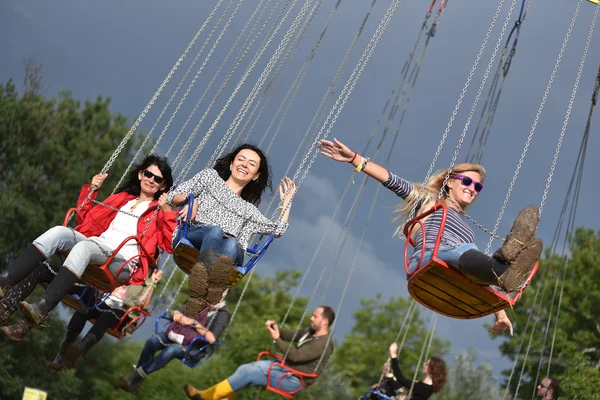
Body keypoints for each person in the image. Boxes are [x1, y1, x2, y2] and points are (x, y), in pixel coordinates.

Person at [319, 138, 544, 334]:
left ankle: (506, 264)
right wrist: (354, 158)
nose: (472, 188)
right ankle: (505, 259)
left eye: (478, 187)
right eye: (467, 181)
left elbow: (473, 267)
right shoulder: (429, 202)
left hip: (457, 262)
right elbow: (392, 180)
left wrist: (500, 314)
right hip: (432, 256)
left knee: (474, 255)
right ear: (449, 182)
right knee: (469, 252)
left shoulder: (467, 228)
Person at [0, 155, 177, 341]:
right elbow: (88, 220)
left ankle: (41, 307)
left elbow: (169, 244)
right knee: (59, 232)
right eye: (148, 174)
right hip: (96, 247)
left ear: (163, 186)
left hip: (121, 262)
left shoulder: (159, 211)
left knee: (84, 247)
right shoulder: (122, 199)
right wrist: (92, 191)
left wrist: (167, 213)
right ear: (141, 174)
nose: (151, 180)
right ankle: (5, 280)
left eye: (157, 179)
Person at [168, 143, 296, 305]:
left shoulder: (249, 211)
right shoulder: (210, 178)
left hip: (227, 253)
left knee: (233, 243)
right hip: (195, 236)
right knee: (215, 231)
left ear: (256, 175)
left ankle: (208, 288)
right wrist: (192, 202)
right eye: (241, 160)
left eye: (251, 164)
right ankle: (204, 280)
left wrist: (287, 204)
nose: (244, 165)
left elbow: (277, 230)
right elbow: (172, 196)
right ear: (231, 164)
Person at [183, 306, 335, 400]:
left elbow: (295, 356)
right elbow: (289, 335)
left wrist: (277, 340)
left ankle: (204, 397)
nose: (311, 318)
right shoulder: (309, 332)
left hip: (293, 380)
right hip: (284, 369)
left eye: (315, 316)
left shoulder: (323, 344)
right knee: (244, 370)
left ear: (324, 322)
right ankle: (210, 396)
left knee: (248, 373)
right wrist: (277, 329)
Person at [48, 269, 164, 371]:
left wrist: (152, 284)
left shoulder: (147, 279)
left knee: (107, 317)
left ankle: (80, 350)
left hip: (121, 311)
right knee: (83, 310)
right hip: (103, 301)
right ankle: (62, 354)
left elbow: (144, 305)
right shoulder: (126, 266)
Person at [119, 291, 230, 396]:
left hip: (193, 347)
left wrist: (194, 323)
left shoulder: (222, 314)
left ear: (224, 293)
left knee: (171, 350)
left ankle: (134, 376)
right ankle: (136, 383)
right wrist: (176, 314)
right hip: (176, 335)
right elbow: (173, 313)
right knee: (152, 341)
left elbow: (212, 339)